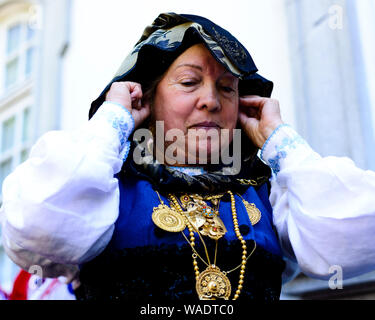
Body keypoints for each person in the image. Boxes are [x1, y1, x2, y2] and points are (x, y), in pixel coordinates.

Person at [1, 12, 375, 301]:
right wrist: (114, 118)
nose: (211, 100)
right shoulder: (105, 191)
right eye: (189, 82)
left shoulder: (270, 197)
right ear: (146, 99)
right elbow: (37, 225)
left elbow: (356, 234)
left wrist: (279, 140)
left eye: (227, 88)